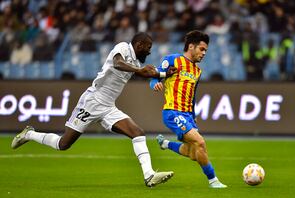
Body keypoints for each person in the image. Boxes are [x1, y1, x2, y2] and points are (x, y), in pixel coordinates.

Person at [11, 32, 176, 187]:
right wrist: (139, 70)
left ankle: (149, 175)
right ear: (139, 44)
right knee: (63, 144)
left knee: (137, 133)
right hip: (91, 102)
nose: (149, 51)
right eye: (148, 47)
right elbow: (117, 63)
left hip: (108, 107)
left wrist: (165, 74)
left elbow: (148, 73)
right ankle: (29, 134)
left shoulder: (137, 62)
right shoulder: (123, 48)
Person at [149, 30, 227, 188]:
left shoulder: (197, 71)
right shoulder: (173, 60)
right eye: (202, 49)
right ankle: (213, 180)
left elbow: (193, 96)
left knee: (192, 153)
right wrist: (154, 84)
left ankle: (165, 144)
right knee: (200, 143)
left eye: (206, 50)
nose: (204, 53)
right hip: (172, 111)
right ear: (191, 46)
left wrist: (193, 114)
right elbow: (155, 76)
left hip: (188, 115)